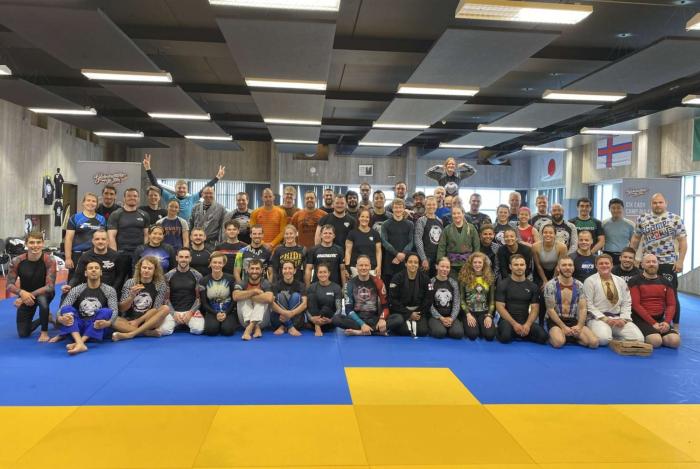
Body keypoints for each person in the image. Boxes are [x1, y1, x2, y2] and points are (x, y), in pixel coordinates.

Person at [629, 193, 686, 329]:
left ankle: (675, 326)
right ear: (651, 204)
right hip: (647, 262)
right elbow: (636, 239)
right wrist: (632, 257)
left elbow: (682, 241)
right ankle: (645, 323)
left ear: (666, 203)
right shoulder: (643, 218)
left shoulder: (675, 219)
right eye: (655, 203)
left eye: (660, 202)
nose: (657, 205)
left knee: (672, 295)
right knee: (643, 295)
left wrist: (680, 261)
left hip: (668, 262)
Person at [52, 261, 118, 354]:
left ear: (101, 272)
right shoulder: (77, 289)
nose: (94, 270)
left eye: (96, 268)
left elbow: (114, 310)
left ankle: (79, 343)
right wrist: (60, 319)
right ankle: (80, 343)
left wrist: (108, 323)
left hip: (96, 327)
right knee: (66, 309)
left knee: (107, 311)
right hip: (79, 327)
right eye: (90, 268)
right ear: (86, 273)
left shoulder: (109, 290)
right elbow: (62, 308)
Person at [583, 254, 644, 346]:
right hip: (598, 318)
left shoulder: (620, 281)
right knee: (603, 340)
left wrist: (623, 319)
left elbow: (626, 302)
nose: (604, 265)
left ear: (611, 265)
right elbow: (588, 304)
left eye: (607, 263)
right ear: (596, 266)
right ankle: (608, 335)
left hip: (618, 318)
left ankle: (613, 336)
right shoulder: (590, 281)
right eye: (601, 263)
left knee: (639, 339)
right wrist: (605, 319)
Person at [6, 232, 57, 341]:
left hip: (44, 293)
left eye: (38, 242)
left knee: (43, 302)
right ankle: (46, 318)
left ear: (43, 243)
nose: (35, 245)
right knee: (23, 333)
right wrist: (21, 293)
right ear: (26, 244)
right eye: (32, 242)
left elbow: (50, 286)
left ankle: (44, 332)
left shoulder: (49, 260)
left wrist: (26, 296)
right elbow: (9, 285)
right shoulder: (16, 261)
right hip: (25, 295)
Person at [143, 153, 225, 220]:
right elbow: (156, 185)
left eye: (184, 188)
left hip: (187, 229)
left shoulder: (191, 199)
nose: (181, 190)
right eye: (179, 188)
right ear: (175, 189)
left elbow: (205, 189)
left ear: (187, 189)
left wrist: (217, 178)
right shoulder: (169, 197)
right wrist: (148, 169)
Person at [543, 257, 598, 349]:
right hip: (556, 321)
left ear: (573, 268)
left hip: (573, 320)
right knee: (558, 342)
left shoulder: (580, 285)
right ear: (558, 268)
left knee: (594, 343)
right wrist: (563, 327)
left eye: (570, 265)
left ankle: (570, 336)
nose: (567, 268)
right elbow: (550, 310)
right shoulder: (550, 285)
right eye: (564, 265)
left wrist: (579, 326)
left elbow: (583, 308)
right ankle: (559, 335)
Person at [629, 254, 681, 349]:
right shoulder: (634, 281)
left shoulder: (666, 282)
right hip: (640, 319)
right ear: (642, 265)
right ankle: (651, 335)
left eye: (654, 262)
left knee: (675, 341)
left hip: (659, 319)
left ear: (658, 264)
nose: (651, 264)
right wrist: (653, 323)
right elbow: (636, 305)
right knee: (656, 341)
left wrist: (666, 322)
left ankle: (658, 333)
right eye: (648, 262)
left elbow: (671, 305)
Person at [114, 256, 170, 341]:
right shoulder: (130, 282)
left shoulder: (160, 284)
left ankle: (131, 334)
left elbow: (155, 309)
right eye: (144, 267)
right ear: (139, 268)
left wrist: (138, 321)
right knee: (112, 319)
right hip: (129, 320)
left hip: (149, 320)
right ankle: (147, 333)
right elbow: (122, 308)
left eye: (150, 268)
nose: (146, 270)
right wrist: (132, 296)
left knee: (165, 308)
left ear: (155, 271)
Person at [495, 254, 547, 344]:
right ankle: (513, 333)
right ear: (510, 267)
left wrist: (528, 325)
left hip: (525, 321)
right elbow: (500, 307)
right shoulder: (503, 284)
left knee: (543, 337)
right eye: (516, 265)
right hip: (507, 321)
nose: (519, 267)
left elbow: (535, 308)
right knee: (505, 336)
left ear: (525, 266)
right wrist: (514, 324)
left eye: (522, 265)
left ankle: (520, 333)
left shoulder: (533, 286)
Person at [333, 256, 389, 336]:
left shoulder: (378, 282)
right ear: (356, 267)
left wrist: (382, 319)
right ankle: (374, 331)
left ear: (370, 267)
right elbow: (348, 310)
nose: (363, 268)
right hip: (356, 319)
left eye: (366, 265)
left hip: (373, 319)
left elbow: (385, 307)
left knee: (398, 318)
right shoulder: (349, 284)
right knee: (336, 319)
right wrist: (362, 324)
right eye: (361, 265)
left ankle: (359, 332)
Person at [107, 187, 149, 287]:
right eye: (129, 196)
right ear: (124, 198)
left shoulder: (144, 215)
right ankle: (115, 298)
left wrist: (145, 251)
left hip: (138, 254)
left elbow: (147, 235)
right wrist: (114, 255)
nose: (132, 198)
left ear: (138, 198)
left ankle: (134, 298)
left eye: (135, 196)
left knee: (136, 282)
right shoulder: (116, 214)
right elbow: (111, 236)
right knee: (118, 281)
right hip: (121, 254)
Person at [160, 248, 204, 336]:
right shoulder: (168, 276)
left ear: (190, 259)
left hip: (191, 311)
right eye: (181, 257)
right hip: (174, 311)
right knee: (164, 330)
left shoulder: (197, 275)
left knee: (198, 329)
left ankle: (183, 324)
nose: (184, 259)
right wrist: (173, 313)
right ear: (177, 258)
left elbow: (199, 298)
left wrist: (191, 312)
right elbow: (165, 299)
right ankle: (179, 324)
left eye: (186, 257)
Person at [63, 192, 106, 282]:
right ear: (83, 203)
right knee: (74, 281)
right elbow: (68, 239)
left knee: (95, 280)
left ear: (97, 204)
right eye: (88, 200)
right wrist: (68, 258)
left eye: (93, 201)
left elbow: (104, 238)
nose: (91, 203)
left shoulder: (101, 219)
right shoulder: (75, 218)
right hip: (78, 255)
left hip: (95, 254)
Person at [386, 252, 431, 337]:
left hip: (418, 311)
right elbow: (393, 299)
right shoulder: (397, 278)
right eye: (410, 262)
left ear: (419, 265)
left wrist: (418, 313)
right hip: (401, 311)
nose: (413, 264)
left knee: (422, 331)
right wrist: (408, 314)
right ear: (405, 263)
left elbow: (429, 299)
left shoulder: (426, 279)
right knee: (403, 331)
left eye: (415, 262)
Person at [233, 259, 274, 340]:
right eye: (252, 268)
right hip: (245, 320)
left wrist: (249, 295)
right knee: (242, 298)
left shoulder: (265, 283)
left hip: (262, 321)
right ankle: (256, 327)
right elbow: (235, 296)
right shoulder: (242, 283)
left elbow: (269, 298)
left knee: (262, 300)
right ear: (247, 270)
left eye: (257, 268)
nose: (254, 271)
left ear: (262, 270)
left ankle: (250, 328)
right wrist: (254, 291)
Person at [459, 252, 496, 341]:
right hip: (469, 312)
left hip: (484, 312)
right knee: (473, 335)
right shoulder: (464, 278)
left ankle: (481, 325)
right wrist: (468, 314)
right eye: (475, 262)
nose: (477, 264)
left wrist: (489, 315)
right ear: (471, 264)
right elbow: (462, 299)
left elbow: (492, 300)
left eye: (480, 262)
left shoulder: (489, 278)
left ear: (484, 264)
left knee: (490, 335)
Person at [199, 251, 237, 337]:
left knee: (227, 331)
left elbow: (234, 300)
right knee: (211, 331)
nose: (217, 265)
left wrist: (226, 313)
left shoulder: (231, 279)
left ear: (224, 264)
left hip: (228, 311)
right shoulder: (203, 281)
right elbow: (204, 303)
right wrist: (215, 313)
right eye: (214, 262)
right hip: (211, 311)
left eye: (220, 263)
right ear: (210, 263)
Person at [437, 205, 480, 279]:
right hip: (451, 263)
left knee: (466, 283)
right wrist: (440, 262)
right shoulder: (447, 229)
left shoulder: (471, 228)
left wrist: (476, 261)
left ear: (463, 214)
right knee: (453, 283)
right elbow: (442, 247)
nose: (456, 215)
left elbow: (476, 246)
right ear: (451, 215)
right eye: (454, 213)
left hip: (467, 262)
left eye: (458, 213)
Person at [381, 198, 415, 286]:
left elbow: (411, 241)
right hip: (390, 261)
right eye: (396, 207)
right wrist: (396, 254)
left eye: (400, 207)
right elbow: (384, 241)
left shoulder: (410, 224)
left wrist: (403, 254)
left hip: (404, 261)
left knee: (404, 286)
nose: (398, 209)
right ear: (392, 209)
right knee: (389, 286)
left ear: (404, 208)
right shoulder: (385, 224)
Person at [427, 257, 464, 339]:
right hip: (436, 316)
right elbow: (429, 303)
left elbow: (456, 303)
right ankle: (434, 326)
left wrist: (451, 318)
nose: (445, 269)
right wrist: (441, 318)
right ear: (436, 266)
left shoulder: (454, 283)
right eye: (442, 266)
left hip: (450, 315)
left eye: (447, 267)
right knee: (440, 332)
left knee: (458, 333)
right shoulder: (430, 283)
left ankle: (449, 326)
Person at [271, 260, 307, 336]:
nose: (287, 271)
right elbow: (272, 305)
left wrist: (291, 313)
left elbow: (304, 304)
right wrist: (285, 313)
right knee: (280, 296)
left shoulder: (301, 285)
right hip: (279, 320)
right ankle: (290, 327)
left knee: (296, 296)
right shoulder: (275, 286)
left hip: (296, 321)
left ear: (294, 271)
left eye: (290, 268)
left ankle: (285, 326)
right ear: (282, 271)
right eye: (285, 268)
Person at [306, 263, 342, 336]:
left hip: (328, 321)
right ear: (317, 274)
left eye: (325, 272)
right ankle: (317, 326)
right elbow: (306, 308)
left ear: (329, 273)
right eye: (320, 272)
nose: (322, 274)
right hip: (313, 322)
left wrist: (331, 320)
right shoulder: (312, 287)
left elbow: (339, 309)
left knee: (325, 309)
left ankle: (318, 325)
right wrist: (311, 319)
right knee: (312, 296)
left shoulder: (336, 287)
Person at [345, 207, 381, 277]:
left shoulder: (375, 234)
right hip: (355, 268)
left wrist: (379, 266)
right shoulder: (352, 233)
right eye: (362, 216)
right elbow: (348, 252)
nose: (365, 219)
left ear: (369, 219)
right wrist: (347, 267)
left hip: (372, 269)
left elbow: (378, 251)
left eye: (367, 217)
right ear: (359, 218)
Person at [190, 186, 226, 251]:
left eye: (210, 193)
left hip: (212, 243)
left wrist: (221, 242)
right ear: (202, 194)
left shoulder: (221, 209)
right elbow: (190, 224)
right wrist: (190, 240)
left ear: (214, 194)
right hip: (196, 242)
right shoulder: (195, 207)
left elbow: (223, 227)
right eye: (206, 193)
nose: (208, 195)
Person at [532, 224, 568, 289]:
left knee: (554, 288)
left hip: (556, 272)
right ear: (542, 234)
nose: (548, 235)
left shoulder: (562, 247)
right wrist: (545, 280)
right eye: (545, 232)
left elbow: (558, 266)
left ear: (555, 235)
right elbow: (538, 266)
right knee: (541, 289)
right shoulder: (535, 246)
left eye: (551, 233)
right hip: (541, 273)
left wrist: (552, 282)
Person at [414, 195, 442, 277]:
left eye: (433, 204)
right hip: (426, 256)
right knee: (425, 280)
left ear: (436, 206)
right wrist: (423, 258)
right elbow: (418, 240)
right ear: (425, 205)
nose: (431, 206)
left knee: (435, 280)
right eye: (429, 204)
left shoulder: (439, 221)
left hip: (437, 257)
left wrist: (440, 258)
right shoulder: (421, 220)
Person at [602, 198, 634, 265]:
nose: (616, 210)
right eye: (613, 208)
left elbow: (633, 242)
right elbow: (600, 241)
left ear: (623, 209)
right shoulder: (603, 224)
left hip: (624, 256)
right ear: (609, 209)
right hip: (607, 255)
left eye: (618, 208)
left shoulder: (630, 224)